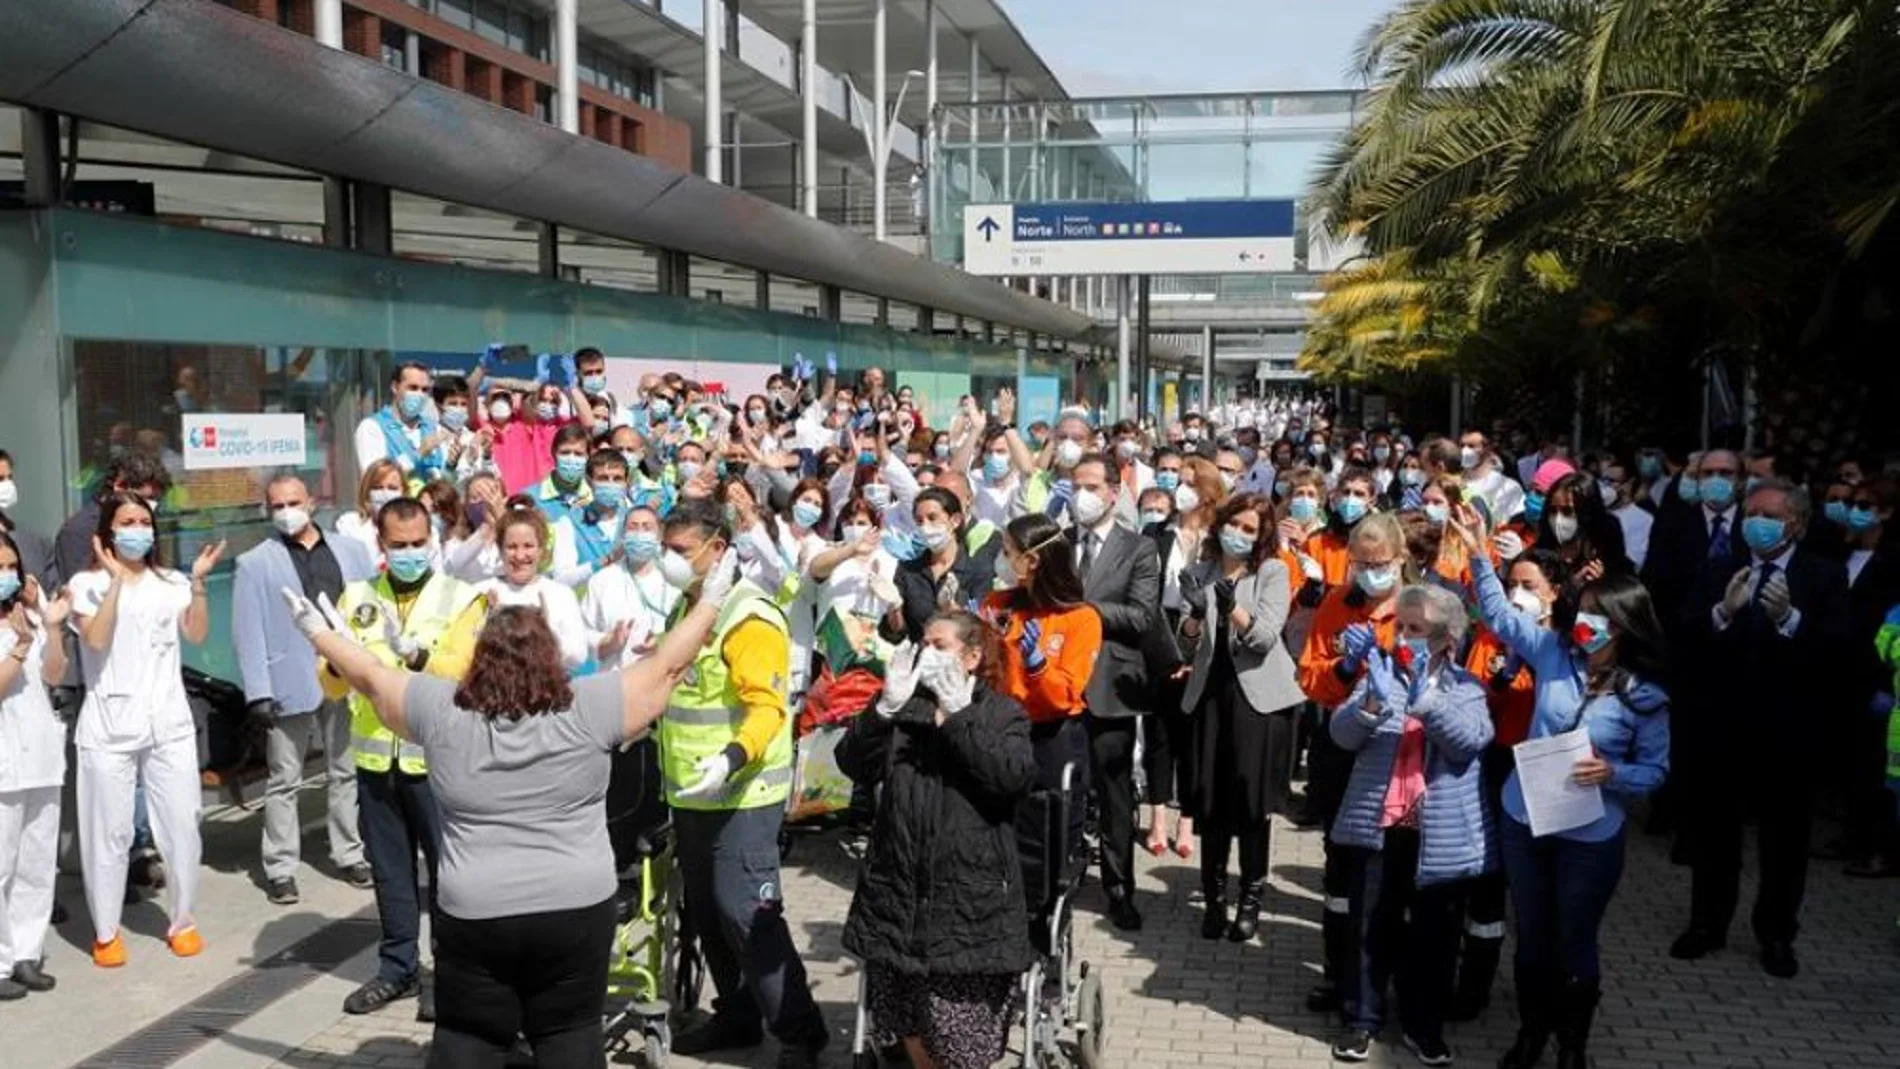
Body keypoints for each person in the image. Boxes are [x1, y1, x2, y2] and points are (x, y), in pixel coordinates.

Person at [283, 549, 734, 1069]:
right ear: (551, 656)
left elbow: (368, 676)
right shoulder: (590, 706)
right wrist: (709, 603)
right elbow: (667, 666)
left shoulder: (441, 709)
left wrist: (319, 635)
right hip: (576, 905)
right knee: (570, 1035)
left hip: (475, 910)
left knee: (469, 1038)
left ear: (480, 660)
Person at [1449, 502, 1670, 1069]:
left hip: (1591, 834)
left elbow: (1657, 771)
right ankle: (1531, 1035)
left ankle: (1573, 1046)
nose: (1585, 624)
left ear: (1623, 625)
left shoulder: (1643, 694)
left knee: (1574, 941)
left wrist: (1614, 773)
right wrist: (1477, 551)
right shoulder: (1553, 654)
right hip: (1526, 818)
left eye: (1599, 617)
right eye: (1584, 612)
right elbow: (1499, 615)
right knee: (1533, 940)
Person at [655, 501, 829, 1069]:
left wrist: (731, 757)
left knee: (744, 911)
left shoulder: (747, 617)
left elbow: (766, 708)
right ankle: (736, 1016)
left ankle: (800, 1033)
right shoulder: (689, 606)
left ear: (718, 550)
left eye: (681, 551)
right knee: (707, 912)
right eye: (668, 548)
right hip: (691, 791)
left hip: (742, 792)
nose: (669, 560)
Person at [838, 611, 1036, 1069]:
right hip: (900, 896)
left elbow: (1010, 778)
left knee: (959, 1037)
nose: (928, 653)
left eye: (940, 645)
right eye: (924, 643)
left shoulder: (1002, 713)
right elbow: (853, 764)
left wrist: (959, 719)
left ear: (971, 657)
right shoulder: (907, 711)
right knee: (908, 1024)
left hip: (968, 903)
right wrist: (883, 709)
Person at [1672, 477, 1850, 979]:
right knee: (1715, 837)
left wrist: (1791, 620)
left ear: (1793, 522)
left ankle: (1775, 933)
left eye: (1768, 514)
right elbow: (1684, 633)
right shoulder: (1720, 569)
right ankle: (1707, 924)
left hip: (1787, 735)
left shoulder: (1824, 575)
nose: (1756, 522)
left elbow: (1839, 649)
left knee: (1785, 842)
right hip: (1724, 730)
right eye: (1751, 512)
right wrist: (1721, 613)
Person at [325, 497, 488, 1019]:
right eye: (400, 545)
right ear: (381, 543)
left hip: (437, 761)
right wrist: (331, 650)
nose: (411, 552)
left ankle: (451, 974)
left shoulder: (463, 598)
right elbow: (329, 688)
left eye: (419, 542)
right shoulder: (356, 598)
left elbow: (459, 673)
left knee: (449, 875)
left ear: (434, 539)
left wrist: (415, 654)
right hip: (377, 761)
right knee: (390, 872)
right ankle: (397, 969)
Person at [1326, 584, 1494, 1066]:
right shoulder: (1381, 674)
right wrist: (1370, 707)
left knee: (1434, 937)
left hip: (1437, 833)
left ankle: (1424, 1027)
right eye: (1401, 626)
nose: (1403, 636)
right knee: (1368, 926)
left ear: (1445, 640)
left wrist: (1427, 704)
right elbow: (1342, 734)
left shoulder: (1467, 687)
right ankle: (1362, 1020)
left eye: (1416, 630)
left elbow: (1469, 742)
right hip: (1381, 826)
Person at [69, 494, 224, 966]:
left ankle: (182, 920)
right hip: (109, 724)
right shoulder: (85, 584)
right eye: (126, 522)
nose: (137, 529)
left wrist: (197, 584)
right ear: (107, 532)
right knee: (109, 833)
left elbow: (195, 633)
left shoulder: (171, 581)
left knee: (182, 823)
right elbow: (95, 639)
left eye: (144, 522)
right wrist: (115, 583)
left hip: (168, 720)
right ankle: (106, 932)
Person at [232, 474, 378, 905]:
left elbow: (370, 611)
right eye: (276, 505)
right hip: (288, 680)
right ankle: (280, 867)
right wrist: (257, 692)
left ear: (312, 503)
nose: (286, 511)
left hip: (344, 673)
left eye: (293, 502)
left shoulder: (351, 552)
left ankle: (349, 851)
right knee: (284, 778)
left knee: (346, 769)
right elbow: (248, 631)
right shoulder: (255, 563)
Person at [1298, 512, 1414, 1016]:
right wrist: (1344, 668)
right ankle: (1338, 973)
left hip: (1400, 758)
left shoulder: (1419, 608)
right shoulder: (1335, 606)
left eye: (1379, 562)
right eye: (1360, 563)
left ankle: (1388, 978)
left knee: (1395, 873)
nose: (1369, 572)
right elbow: (1311, 677)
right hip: (1342, 750)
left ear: (1401, 558)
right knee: (1341, 872)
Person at [1177, 493, 1304, 943]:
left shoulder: (1271, 572)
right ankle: (1213, 900)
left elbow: (1266, 637)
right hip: (1210, 697)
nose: (1240, 535)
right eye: (1236, 525)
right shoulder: (1200, 570)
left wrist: (1232, 608)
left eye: (1251, 529)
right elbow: (1187, 644)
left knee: (1252, 806)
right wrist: (1193, 614)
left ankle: (1250, 898)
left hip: (1258, 701)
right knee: (1210, 804)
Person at [980, 513, 1102, 923]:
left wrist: (1037, 667)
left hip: (1052, 739)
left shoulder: (1080, 618)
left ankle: (1047, 931)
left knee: (1045, 845)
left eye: (1008, 552)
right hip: (1001, 730)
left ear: (1031, 561)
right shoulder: (998, 606)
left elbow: (1065, 695)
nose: (1002, 558)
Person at [1066, 454, 1161, 930]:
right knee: (1061, 784)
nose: (1081, 495)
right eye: (1074, 485)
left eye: (1090, 486)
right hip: (1059, 687)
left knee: (1114, 792)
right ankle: (1060, 876)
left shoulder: (1138, 548)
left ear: (1111, 492)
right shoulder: (1058, 543)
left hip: (1111, 686)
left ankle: (1119, 887)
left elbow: (1141, 616)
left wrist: (1083, 611)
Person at [0, 547, 70, 998]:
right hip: (4, 759)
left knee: (37, 862)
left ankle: (25, 953)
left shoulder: (28, 612)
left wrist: (51, 627)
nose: (6, 574)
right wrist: (22, 645)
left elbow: (55, 674)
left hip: (42, 755)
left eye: (10, 566)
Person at [479, 510, 590, 673]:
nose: (520, 555)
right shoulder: (481, 591)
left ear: (541, 550)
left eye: (528, 546)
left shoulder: (561, 594)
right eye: (511, 547)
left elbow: (578, 656)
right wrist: (490, 623)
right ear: (500, 549)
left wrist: (545, 631)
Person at [891, 487, 997, 641]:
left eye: (932, 518)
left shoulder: (977, 568)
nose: (925, 526)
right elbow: (899, 631)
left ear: (955, 521)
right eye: (919, 521)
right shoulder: (908, 569)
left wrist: (953, 611)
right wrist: (893, 606)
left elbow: (981, 630)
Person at [355, 362, 446, 489]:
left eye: (425, 390)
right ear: (395, 387)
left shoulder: (434, 428)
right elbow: (374, 481)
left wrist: (454, 463)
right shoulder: (372, 427)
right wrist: (418, 454)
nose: (419, 394)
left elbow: (445, 480)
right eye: (413, 388)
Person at [338, 460, 405, 565]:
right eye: (377, 487)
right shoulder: (350, 525)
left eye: (392, 488)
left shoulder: (423, 529)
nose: (385, 493)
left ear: (403, 491)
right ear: (367, 491)